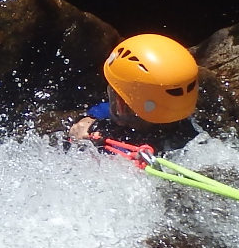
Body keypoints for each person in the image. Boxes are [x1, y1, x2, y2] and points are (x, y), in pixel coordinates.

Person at [65, 33, 202, 156]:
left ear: (121, 105)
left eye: (113, 93)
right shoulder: (195, 138)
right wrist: (87, 121)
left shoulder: (120, 148)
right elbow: (103, 110)